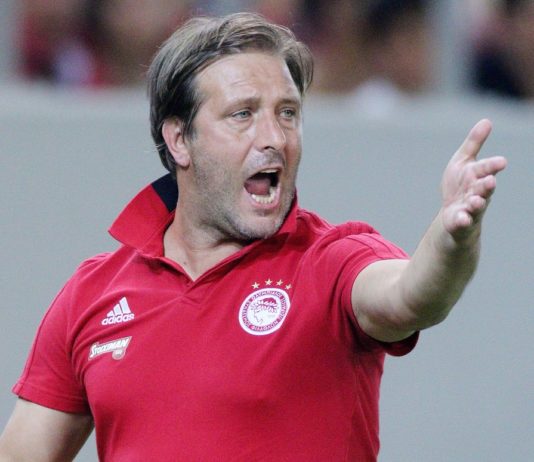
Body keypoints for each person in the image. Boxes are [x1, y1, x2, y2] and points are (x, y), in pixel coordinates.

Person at [0, 12, 507, 462]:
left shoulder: (330, 261)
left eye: (288, 113)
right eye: (243, 114)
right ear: (179, 140)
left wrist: (452, 241)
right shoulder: (92, 294)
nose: (274, 138)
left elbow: (412, 295)